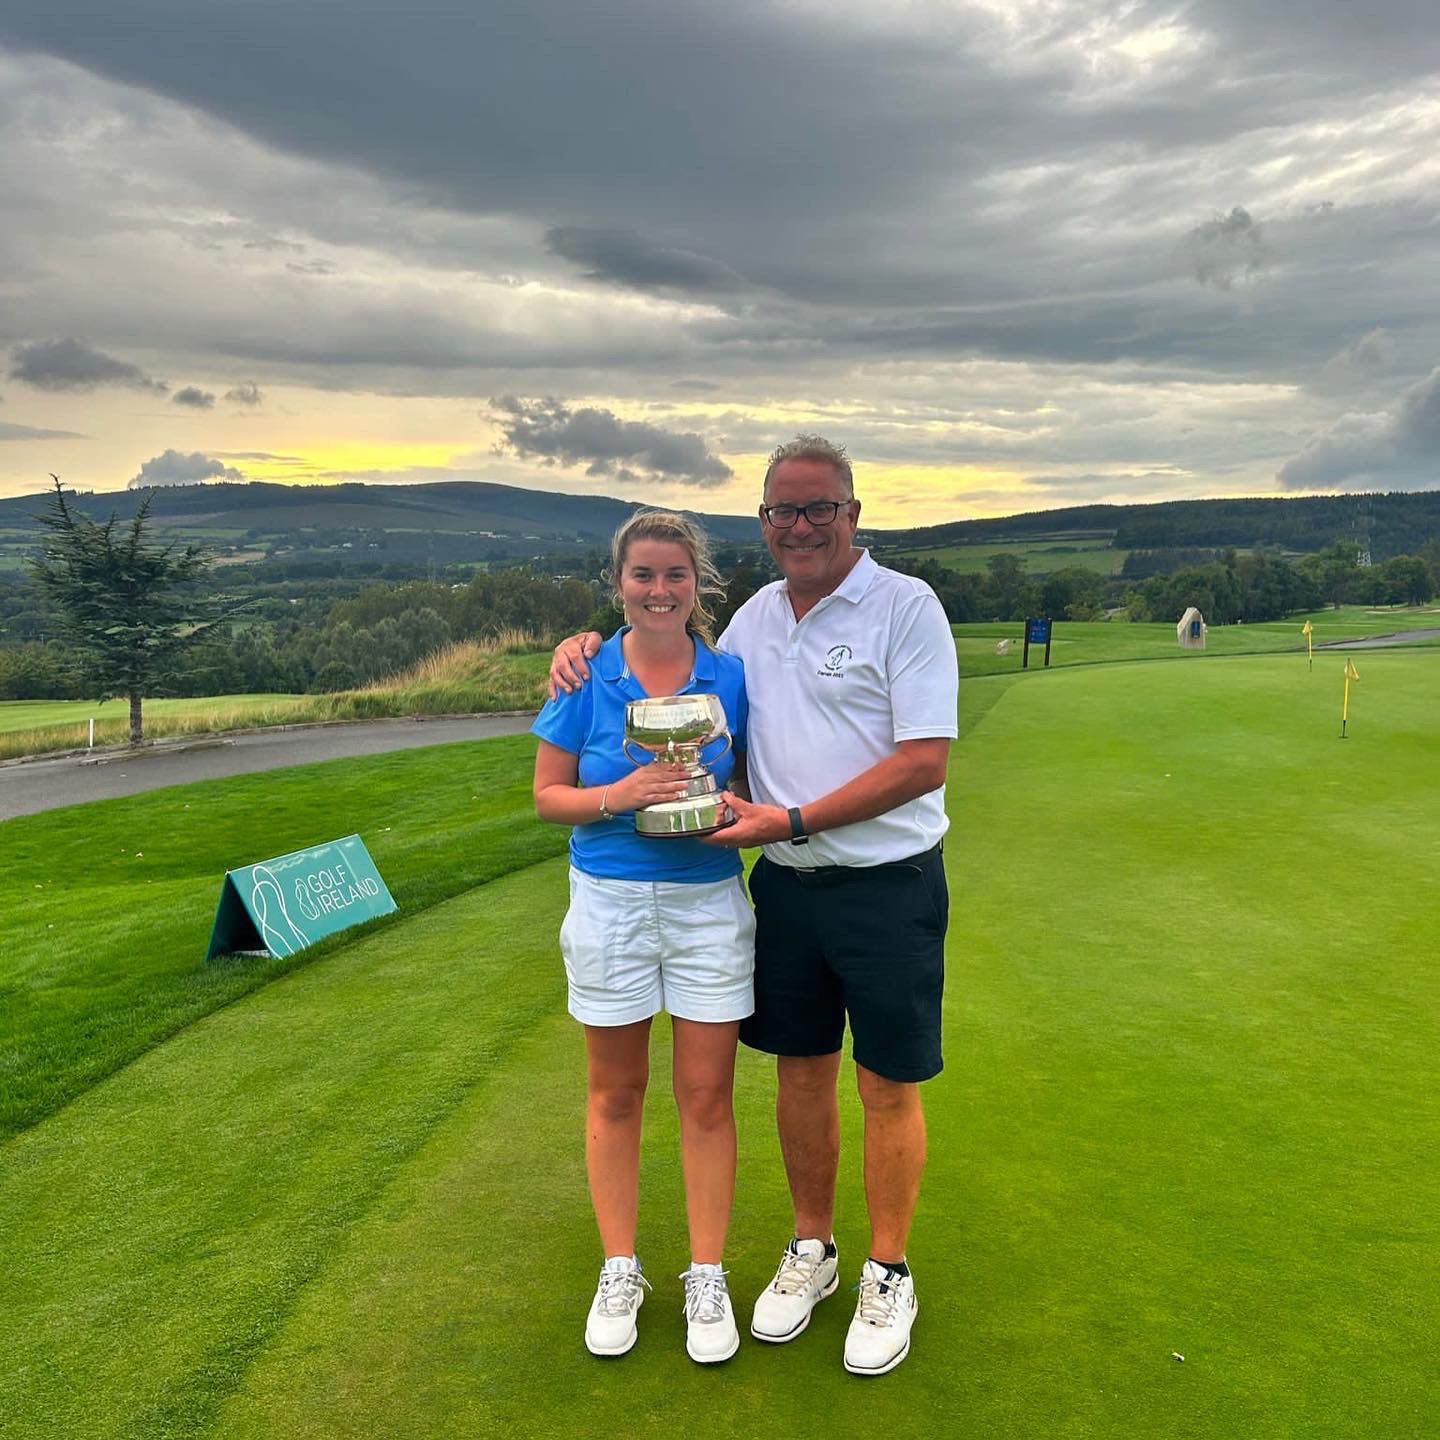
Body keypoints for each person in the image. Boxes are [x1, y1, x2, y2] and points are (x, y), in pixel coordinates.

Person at [549, 436, 958, 1377]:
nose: (801, 526)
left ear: (852, 513)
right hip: (782, 887)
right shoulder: (754, 623)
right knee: (802, 1073)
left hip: (887, 883)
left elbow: (923, 762)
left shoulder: (907, 606)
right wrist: (583, 645)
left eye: (820, 508)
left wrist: (795, 818)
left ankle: (888, 1271)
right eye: (783, 511)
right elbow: (672, 666)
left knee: (887, 1083)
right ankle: (813, 1248)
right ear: (764, 523)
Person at [532, 509, 754, 1366]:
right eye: (643, 575)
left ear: (697, 583)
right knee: (615, 1093)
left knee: (706, 1097)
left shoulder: (730, 676)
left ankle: (707, 1275)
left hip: (706, 903)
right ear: (619, 583)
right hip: (609, 903)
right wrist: (618, 797)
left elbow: (752, 778)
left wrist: (726, 811)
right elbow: (548, 796)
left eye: (675, 575)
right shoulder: (583, 674)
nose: (660, 590)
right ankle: (619, 1268)